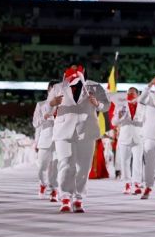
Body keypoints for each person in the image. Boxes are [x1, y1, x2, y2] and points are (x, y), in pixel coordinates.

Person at [44, 64, 109, 213]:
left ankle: (78, 198)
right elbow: (46, 110)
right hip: (63, 131)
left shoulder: (95, 86)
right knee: (66, 164)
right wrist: (52, 103)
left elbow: (106, 105)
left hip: (87, 130)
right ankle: (65, 198)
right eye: (71, 70)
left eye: (77, 70)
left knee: (83, 167)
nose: (74, 73)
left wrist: (97, 104)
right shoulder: (58, 87)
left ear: (84, 72)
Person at [112, 87, 145, 196]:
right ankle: (127, 183)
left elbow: (146, 121)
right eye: (128, 93)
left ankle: (136, 183)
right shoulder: (121, 106)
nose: (130, 95)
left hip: (138, 137)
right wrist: (120, 117)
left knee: (137, 161)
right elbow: (114, 122)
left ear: (137, 94)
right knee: (124, 161)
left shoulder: (142, 106)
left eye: (132, 93)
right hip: (125, 137)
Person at [33, 80, 60, 202]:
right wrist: (45, 117)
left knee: (55, 167)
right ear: (48, 90)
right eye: (52, 89)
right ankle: (43, 183)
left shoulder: (64, 106)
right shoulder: (41, 105)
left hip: (59, 140)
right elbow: (35, 123)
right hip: (45, 139)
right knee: (41, 168)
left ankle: (54, 190)